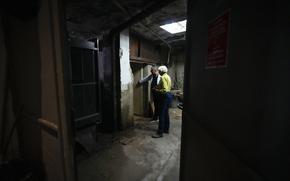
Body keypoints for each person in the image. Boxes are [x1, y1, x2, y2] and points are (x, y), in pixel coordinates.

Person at [152, 65, 173, 138]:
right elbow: (164, 86)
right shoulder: (167, 76)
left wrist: (157, 90)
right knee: (166, 114)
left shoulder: (163, 77)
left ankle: (159, 132)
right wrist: (157, 86)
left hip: (164, 97)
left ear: (161, 71)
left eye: (159, 71)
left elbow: (164, 90)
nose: (158, 71)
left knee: (161, 114)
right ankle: (166, 129)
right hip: (169, 96)